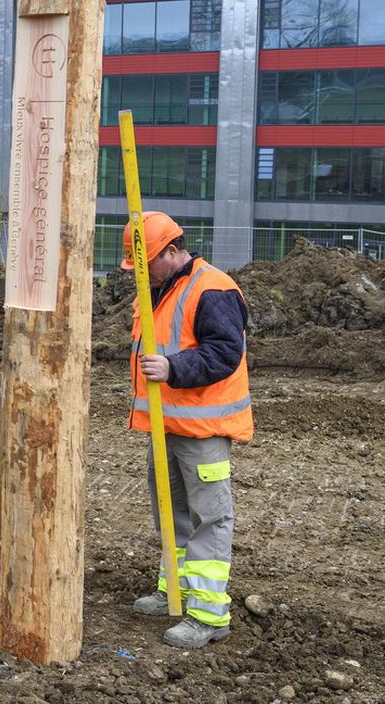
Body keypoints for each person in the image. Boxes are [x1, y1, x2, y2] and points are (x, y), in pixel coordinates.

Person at [123, 212, 253, 649]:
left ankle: (208, 615)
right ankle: (174, 591)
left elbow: (225, 352)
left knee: (209, 519)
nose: (140, 275)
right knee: (171, 514)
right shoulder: (157, 289)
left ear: (173, 251)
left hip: (202, 430)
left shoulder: (211, 287)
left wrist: (174, 368)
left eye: (146, 264)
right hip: (166, 425)